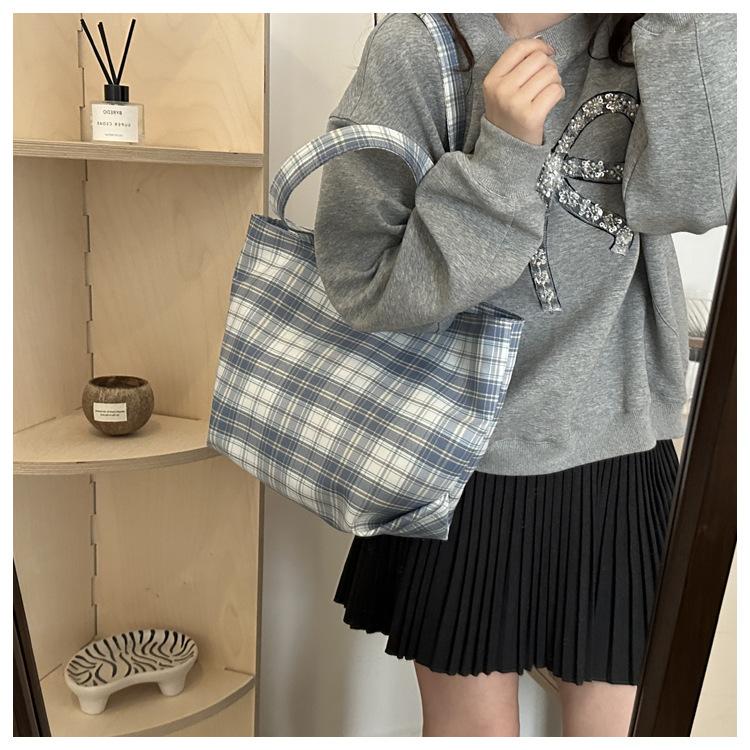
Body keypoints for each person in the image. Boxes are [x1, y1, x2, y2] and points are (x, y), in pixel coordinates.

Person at [312, 12, 736, 737]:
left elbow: (703, 198)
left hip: (621, 454)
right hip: (459, 463)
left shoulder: (655, 34)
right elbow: (366, 287)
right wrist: (505, 156)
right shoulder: (420, 49)